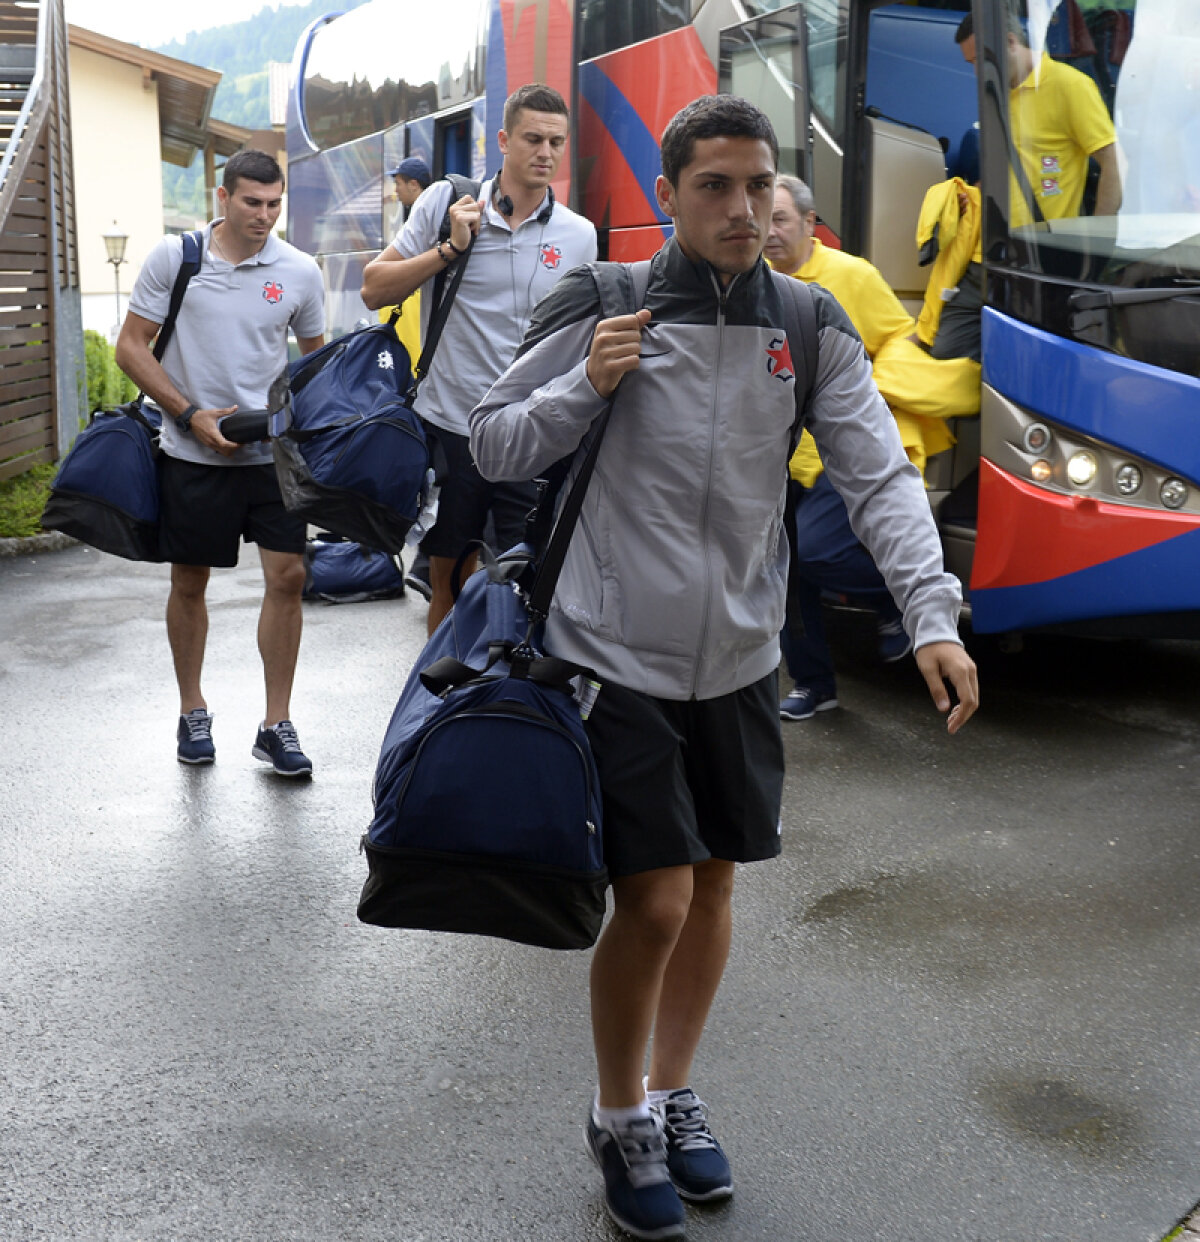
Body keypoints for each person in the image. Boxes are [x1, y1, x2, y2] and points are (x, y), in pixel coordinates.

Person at [471, 96, 979, 1240]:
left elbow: (880, 478)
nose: (744, 209)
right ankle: (619, 1115)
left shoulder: (805, 321)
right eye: (715, 187)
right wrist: (585, 387)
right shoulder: (602, 299)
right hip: (614, 654)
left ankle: (672, 1088)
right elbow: (493, 438)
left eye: (759, 186)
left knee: (713, 887)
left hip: (741, 658)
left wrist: (931, 615)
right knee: (651, 897)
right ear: (667, 197)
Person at [115, 150, 325, 776]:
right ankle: (191, 708)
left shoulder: (299, 271)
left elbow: (316, 364)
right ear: (222, 197)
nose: (264, 216)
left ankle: (277, 723)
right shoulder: (175, 259)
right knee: (190, 582)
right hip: (191, 450)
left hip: (271, 456)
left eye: (274, 205)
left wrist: (302, 428)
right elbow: (131, 347)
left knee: (288, 579)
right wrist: (189, 415)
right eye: (251, 203)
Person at [361, 83, 597, 634]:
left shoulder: (580, 235)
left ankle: (506, 707)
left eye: (557, 142)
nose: (546, 153)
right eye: (533, 139)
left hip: (535, 430)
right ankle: (438, 704)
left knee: (528, 579)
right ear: (503, 141)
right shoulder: (446, 204)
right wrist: (449, 250)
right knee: (448, 578)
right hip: (454, 425)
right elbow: (374, 289)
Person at [765, 174, 979, 721]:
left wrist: (864, 392)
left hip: (841, 449)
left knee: (818, 551)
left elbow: (899, 339)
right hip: (780, 457)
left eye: (781, 219)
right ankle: (815, 684)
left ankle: (896, 603)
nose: (769, 231)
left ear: (812, 225)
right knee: (788, 575)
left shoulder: (850, 276)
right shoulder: (752, 279)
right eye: (764, 218)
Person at [956, 11, 1120, 227]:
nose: (977, 72)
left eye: (980, 59)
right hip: (999, 246)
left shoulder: (1069, 85)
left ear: (1010, 41)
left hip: (1047, 247)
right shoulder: (996, 95)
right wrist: (974, 195)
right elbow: (1011, 167)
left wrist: (1101, 235)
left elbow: (1114, 162)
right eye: (971, 63)